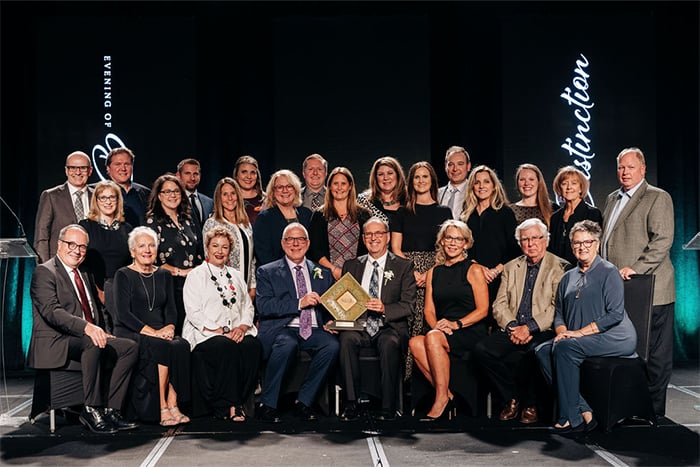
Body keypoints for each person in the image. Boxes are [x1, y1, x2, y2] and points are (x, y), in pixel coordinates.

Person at [27, 224, 138, 434]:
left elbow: (96, 307)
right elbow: (52, 312)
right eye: (71, 244)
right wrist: (88, 328)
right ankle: (91, 408)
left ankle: (111, 410)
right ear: (59, 245)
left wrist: (104, 329)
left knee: (129, 347)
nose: (77, 251)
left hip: (84, 335)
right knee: (91, 342)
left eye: (82, 247)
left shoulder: (85, 273)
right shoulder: (45, 272)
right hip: (57, 340)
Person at [536, 220, 638, 433]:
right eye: (576, 243)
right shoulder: (567, 277)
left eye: (587, 242)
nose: (582, 247)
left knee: (565, 348)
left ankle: (570, 419)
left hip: (614, 336)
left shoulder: (609, 272)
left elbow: (615, 315)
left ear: (597, 244)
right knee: (543, 350)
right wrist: (562, 333)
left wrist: (578, 334)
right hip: (580, 338)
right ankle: (584, 410)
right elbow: (559, 315)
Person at [601, 147, 675, 418]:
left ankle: (653, 412)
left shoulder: (657, 197)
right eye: (621, 167)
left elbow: (662, 241)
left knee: (655, 356)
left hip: (651, 289)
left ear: (643, 169)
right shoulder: (611, 198)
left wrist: (636, 269)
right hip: (622, 289)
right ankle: (631, 407)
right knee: (628, 352)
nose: (625, 172)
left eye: (630, 167)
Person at [474, 218, 569, 424]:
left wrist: (530, 327)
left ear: (546, 240)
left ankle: (530, 404)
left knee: (534, 353)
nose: (531, 243)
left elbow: (556, 307)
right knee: (482, 350)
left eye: (536, 238)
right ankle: (512, 398)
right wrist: (512, 327)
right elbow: (499, 304)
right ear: (519, 243)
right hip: (513, 327)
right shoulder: (511, 267)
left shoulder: (559, 266)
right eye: (525, 239)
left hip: (542, 328)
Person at [255, 223, 339, 423]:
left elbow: (329, 307)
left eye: (300, 239)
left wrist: (330, 321)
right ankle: (267, 404)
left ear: (308, 243)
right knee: (287, 344)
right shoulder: (267, 271)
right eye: (290, 239)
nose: (295, 244)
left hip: (314, 329)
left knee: (332, 345)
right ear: (283, 243)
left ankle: (304, 402)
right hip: (282, 328)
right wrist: (299, 303)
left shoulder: (322, 273)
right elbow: (264, 306)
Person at [408, 220, 489, 421]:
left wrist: (456, 324)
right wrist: (437, 326)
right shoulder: (435, 271)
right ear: (442, 242)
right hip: (442, 329)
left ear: (466, 243)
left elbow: (483, 309)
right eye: (448, 238)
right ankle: (447, 394)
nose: (453, 243)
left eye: (458, 239)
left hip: (468, 329)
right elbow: (429, 309)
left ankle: (441, 400)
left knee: (432, 338)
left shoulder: (474, 269)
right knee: (415, 342)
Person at [338, 217, 416, 421]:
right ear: (363, 239)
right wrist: (336, 319)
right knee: (346, 340)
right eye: (369, 234)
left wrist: (384, 308)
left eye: (379, 233)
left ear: (388, 237)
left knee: (389, 343)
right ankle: (352, 403)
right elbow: (343, 301)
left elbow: (409, 306)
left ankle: (388, 406)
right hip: (359, 326)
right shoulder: (352, 265)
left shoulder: (403, 266)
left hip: (388, 327)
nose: (374, 238)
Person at [113, 226, 191, 425]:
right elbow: (123, 314)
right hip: (132, 330)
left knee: (181, 345)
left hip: (161, 330)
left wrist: (171, 328)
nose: (147, 250)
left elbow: (172, 309)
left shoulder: (163, 275)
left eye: (151, 245)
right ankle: (161, 405)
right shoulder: (123, 275)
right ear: (132, 251)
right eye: (141, 246)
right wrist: (154, 333)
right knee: (161, 346)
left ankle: (173, 403)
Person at [183, 226, 262, 422]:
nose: (219, 251)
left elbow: (248, 307)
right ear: (207, 248)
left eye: (224, 247)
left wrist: (242, 327)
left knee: (253, 347)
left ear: (230, 251)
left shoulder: (235, 275)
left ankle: (240, 400)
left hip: (236, 331)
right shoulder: (196, 275)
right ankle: (228, 406)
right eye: (215, 246)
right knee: (226, 347)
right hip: (206, 333)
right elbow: (193, 312)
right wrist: (221, 330)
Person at [391, 162, 452, 341]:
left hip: (436, 269)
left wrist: (429, 274)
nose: (421, 180)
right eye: (417, 177)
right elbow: (395, 248)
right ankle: (405, 367)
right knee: (406, 321)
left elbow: (447, 248)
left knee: (430, 319)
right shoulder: (401, 213)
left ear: (432, 180)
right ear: (411, 182)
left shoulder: (444, 212)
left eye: (425, 176)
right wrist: (413, 272)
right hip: (406, 270)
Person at [145, 174, 203, 335]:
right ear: (159, 195)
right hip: (169, 287)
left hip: (193, 286)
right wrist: (181, 272)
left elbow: (199, 251)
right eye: (167, 191)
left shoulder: (188, 219)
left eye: (176, 191)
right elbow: (151, 260)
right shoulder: (152, 222)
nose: (172, 195)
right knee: (176, 331)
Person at [460, 165, 520, 313]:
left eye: (486, 182)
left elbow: (514, 248)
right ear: (472, 186)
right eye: (477, 182)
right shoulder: (467, 215)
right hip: (473, 275)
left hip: (500, 275)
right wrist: (480, 269)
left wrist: (495, 271)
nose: (481, 186)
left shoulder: (505, 212)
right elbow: (464, 248)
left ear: (494, 186)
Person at [78, 180, 133, 316]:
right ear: (96, 201)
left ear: (118, 200)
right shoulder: (85, 227)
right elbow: (82, 263)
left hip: (122, 290)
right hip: (94, 289)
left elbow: (131, 264)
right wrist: (98, 291)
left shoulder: (127, 229)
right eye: (103, 197)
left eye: (112, 197)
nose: (108, 202)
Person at [309, 167, 371, 280]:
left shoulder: (364, 214)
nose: (339, 188)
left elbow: (368, 247)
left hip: (358, 275)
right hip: (327, 274)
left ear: (350, 186)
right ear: (329, 186)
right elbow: (315, 249)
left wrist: (355, 271)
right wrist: (333, 270)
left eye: (343, 183)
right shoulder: (319, 215)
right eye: (335, 183)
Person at [34, 151, 95, 263]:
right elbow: (41, 236)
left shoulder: (98, 196)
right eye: (73, 168)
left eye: (83, 168)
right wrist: (45, 266)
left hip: (91, 264)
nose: (77, 172)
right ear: (66, 170)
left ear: (90, 171)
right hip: (59, 264)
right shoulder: (51, 196)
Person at [202, 177, 256, 299]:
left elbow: (252, 258)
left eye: (233, 193)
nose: (230, 198)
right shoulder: (212, 223)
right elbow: (210, 261)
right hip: (223, 291)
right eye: (225, 194)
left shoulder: (245, 224)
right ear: (219, 198)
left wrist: (252, 286)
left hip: (246, 290)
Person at [253, 169, 313, 266]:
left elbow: (312, 252)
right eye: (280, 187)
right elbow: (264, 255)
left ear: (295, 189)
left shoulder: (306, 215)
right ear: (273, 191)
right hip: (275, 275)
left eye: (289, 186)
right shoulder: (264, 218)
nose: (285, 190)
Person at [548, 166, 603, 265]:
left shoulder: (592, 213)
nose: (569, 187)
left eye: (574, 183)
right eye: (564, 183)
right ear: (559, 188)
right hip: (557, 271)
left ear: (581, 188)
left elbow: (596, 248)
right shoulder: (555, 217)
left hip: (583, 270)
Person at [105, 147, 151, 228]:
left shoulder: (145, 193)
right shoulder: (98, 192)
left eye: (127, 164)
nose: (123, 168)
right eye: (118, 164)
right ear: (108, 168)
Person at [356, 156, 408, 227]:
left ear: (398, 175)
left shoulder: (409, 200)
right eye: (381, 174)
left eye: (390, 173)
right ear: (375, 178)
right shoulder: (364, 202)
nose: (386, 178)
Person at [176, 158, 214, 242]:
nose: (192, 178)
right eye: (187, 173)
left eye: (195, 174)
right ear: (178, 176)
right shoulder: (174, 201)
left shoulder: (209, 202)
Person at [437, 145, 472, 219]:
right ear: (445, 167)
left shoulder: (475, 192)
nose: (455, 169)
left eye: (460, 164)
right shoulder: (436, 194)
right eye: (451, 164)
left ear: (468, 166)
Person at [233, 155, 264, 225]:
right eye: (244, 172)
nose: (249, 176)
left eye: (252, 172)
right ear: (236, 175)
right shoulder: (229, 200)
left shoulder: (267, 200)